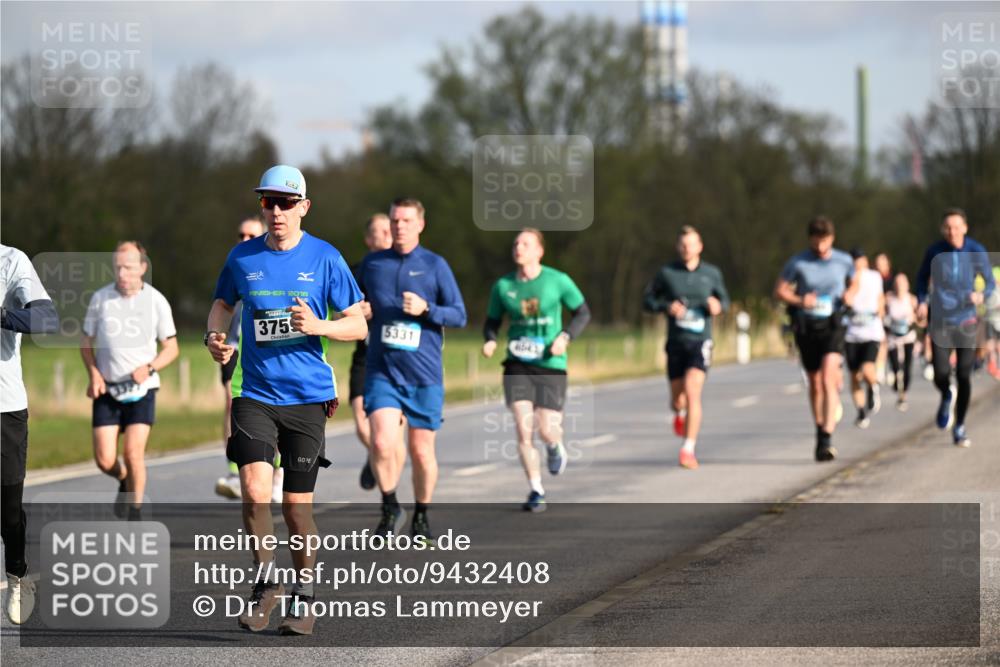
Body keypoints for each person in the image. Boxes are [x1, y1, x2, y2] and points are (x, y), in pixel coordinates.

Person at [206, 164, 366, 635]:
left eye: (285, 203)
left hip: (307, 398)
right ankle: (265, 585)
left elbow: (358, 323)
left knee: (296, 507)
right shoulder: (242, 258)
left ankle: (305, 593)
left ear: (304, 208)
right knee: (256, 493)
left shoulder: (325, 258)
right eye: (268, 202)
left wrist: (320, 327)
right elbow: (222, 304)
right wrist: (216, 336)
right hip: (255, 393)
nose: (276, 211)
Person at [359, 197, 466, 543]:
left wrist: (427, 309)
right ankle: (390, 505)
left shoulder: (435, 265)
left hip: (424, 373)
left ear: (420, 224)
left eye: (406, 220)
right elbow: (350, 302)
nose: (399, 226)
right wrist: (359, 309)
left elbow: (459, 315)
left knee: (421, 451)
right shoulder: (372, 265)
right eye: (394, 220)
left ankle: (421, 513)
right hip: (382, 369)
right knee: (381, 440)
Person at [482, 228, 591, 511]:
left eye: (526, 243)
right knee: (523, 426)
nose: (519, 247)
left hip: (550, 364)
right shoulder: (503, 286)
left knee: (547, 430)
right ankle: (536, 489)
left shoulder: (558, 281)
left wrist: (565, 337)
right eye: (516, 243)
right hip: (517, 363)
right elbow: (492, 320)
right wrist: (491, 340)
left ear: (539, 251)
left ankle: (554, 446)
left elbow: (582, 312)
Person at [81, 241, 179, 519]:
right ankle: (123, 478)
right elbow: (86, 342)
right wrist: (94, 373)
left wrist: (149, 368)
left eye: (128, 268)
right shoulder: (101, 299)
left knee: (133, 452)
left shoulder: (156, 301)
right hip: (108, 390)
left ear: (142, 268)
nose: (122, 273)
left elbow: (172, 347)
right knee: (104, 460)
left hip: (142, 389)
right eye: (118, 267)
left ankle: (135, 512)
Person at [1, 244, 59, 624]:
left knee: (6, 511)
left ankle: (18, 573)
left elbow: (46, 319)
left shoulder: (11, 261)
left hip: (4, 405)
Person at [643, 225, 730, 469]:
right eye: (682, 244)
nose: (686, 248)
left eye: (691, 244)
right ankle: (679, 413)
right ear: (677, 247)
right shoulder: (666, 273)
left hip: (701, 341)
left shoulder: (711, 273)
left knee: (693, 391)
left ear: (699, 246)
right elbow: (647, 300)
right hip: (676, 342)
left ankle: (688, 448)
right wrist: (666, 307)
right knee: (677, 400)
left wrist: (717, 306)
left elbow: (725, 300)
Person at [775, 216, 859, 462]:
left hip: (833, 323)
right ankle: (819, 426)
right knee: (815, 382)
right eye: (816, 241)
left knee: (827, 376)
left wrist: (850, 294)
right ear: (810, 239)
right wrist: (801, 300)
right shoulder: (798, 262)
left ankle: (826, 438)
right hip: (806, 325)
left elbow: (855, 281)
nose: (821, 247)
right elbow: (779, 290)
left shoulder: (843, 260)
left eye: (825, 241)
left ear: (832, 239)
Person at [214, 216, 286, 502]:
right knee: (232, 407)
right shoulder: (235, 264)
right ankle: (234, 470)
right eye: (240, 234)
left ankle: (278, 472)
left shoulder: (273, 263)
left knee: (274, 412)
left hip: (269, 350)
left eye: (251, 235)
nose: (245, 240)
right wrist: (214, 336)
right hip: (235, 348)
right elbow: (221, 305)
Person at [915, 208, 995, 447]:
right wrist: (920, 301)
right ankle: (946, 392)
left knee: (964, 374)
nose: (952, 231)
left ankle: (959, 426)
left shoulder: (975, 250)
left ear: (965, 228)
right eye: (948, 227)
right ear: (943, 230)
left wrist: (982, 294)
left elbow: (989, 280)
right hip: (940, 319)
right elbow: (920, 279)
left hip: (967, 319)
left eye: (956, 227)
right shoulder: (934, 251)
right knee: (940, 372)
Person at [350, 213, 405, 491]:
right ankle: (376, 454)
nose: (385, 236)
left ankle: (390, 496)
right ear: (368, 238)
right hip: (366, 356)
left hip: (400, 360)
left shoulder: (406, 268)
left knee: (393, 438)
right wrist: (355, 313)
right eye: (378, 232)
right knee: (363, 425)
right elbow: (339, 308)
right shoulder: (355, 271)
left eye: (389, 230)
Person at [843, 249, 885, 429]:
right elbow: (847, 300)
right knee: (854, 375)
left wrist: (881, 314)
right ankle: (861, 412)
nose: (857, 265)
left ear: (865, 261)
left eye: (859, 261)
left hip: (871, 331)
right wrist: (853, 284)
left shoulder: (875, 276)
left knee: (867, 368)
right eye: (854, 262)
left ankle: (873, 387)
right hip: (851, 333)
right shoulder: (846, 278)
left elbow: (880, 297)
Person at [885, 272, 918, 411]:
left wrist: (914, 319)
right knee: (895, 367)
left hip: (908, 336)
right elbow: (883, 315)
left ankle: (902, 396)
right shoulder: (888, 299)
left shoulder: (912, 299)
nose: (900, 286)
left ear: (907, 285)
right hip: (893, 338)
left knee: (907, 368)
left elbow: (919, 319)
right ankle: (896, 386)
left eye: (902, 283)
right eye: (897, 283)